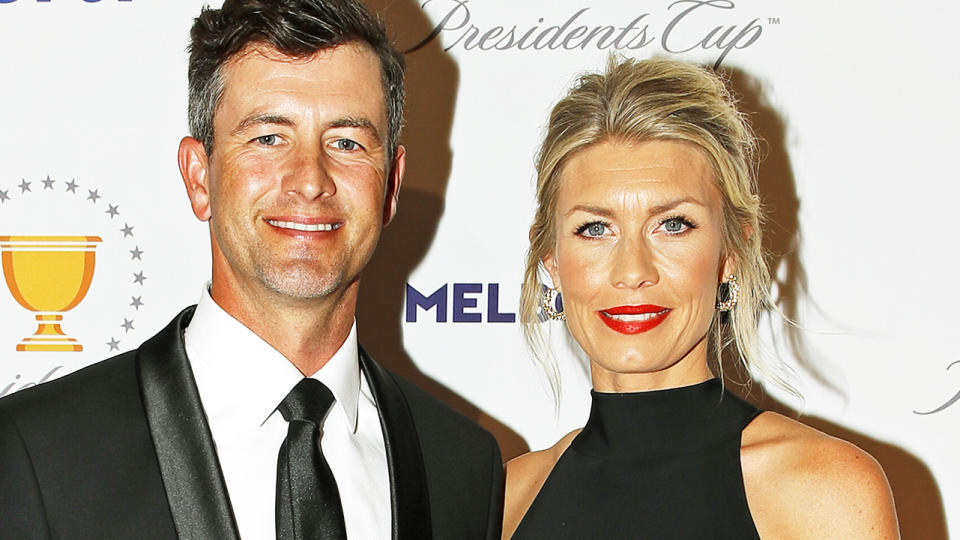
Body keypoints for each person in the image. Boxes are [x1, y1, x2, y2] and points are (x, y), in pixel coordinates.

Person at [0, 1, 503, 539]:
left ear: (391, 186)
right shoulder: (37, 452)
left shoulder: (462, 465)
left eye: (346, 142)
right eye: (268, 137)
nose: (310, 179)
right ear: (199, 178)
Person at [502, 57, 899, 539]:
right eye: (595, 228)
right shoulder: (507, 499)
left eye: (673, 225)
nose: (633, 271)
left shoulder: (822, 488)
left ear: (729, 252)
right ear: (551, 259)